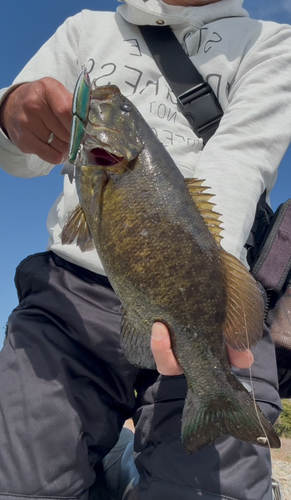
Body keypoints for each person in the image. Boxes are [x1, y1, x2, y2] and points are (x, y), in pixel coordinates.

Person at [0, 0, 290, 499]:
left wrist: (195, 298)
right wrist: (10, 113)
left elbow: (239, 165)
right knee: (25, 485)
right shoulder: (84, 29)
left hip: (206, 298)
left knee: (215, 490)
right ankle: (111, 454)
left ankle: (134, 455)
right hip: (71, 299)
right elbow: (21, 161)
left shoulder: (274, 44)